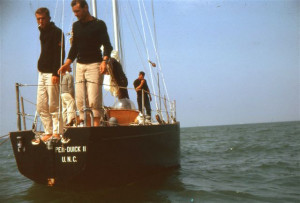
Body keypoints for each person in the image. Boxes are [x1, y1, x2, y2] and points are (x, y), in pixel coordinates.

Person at [58, 0, 113, 126]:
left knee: (94, 99)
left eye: (77, 11)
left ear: (86, 8)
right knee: (80, 100)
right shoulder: (76, 26)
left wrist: (104, 61)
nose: (75, 14)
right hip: (80, 65)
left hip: (95, 65)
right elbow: (74, 47)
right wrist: (67, 63)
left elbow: (108, 46)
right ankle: (86, 128)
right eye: (74, 12)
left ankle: (96, 128)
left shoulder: (99, 24)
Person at [34, 7, 65, 143]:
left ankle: (57, 132)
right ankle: (48, 131)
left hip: (52, 73)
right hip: (41, 72)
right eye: (38, 19)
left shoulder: (57, 32)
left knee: (54, 104)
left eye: (43, 19)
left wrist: (55, 73)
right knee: (41, 105)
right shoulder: (42, 32)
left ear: (48, 18)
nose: (40, 21)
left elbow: (60, 54)